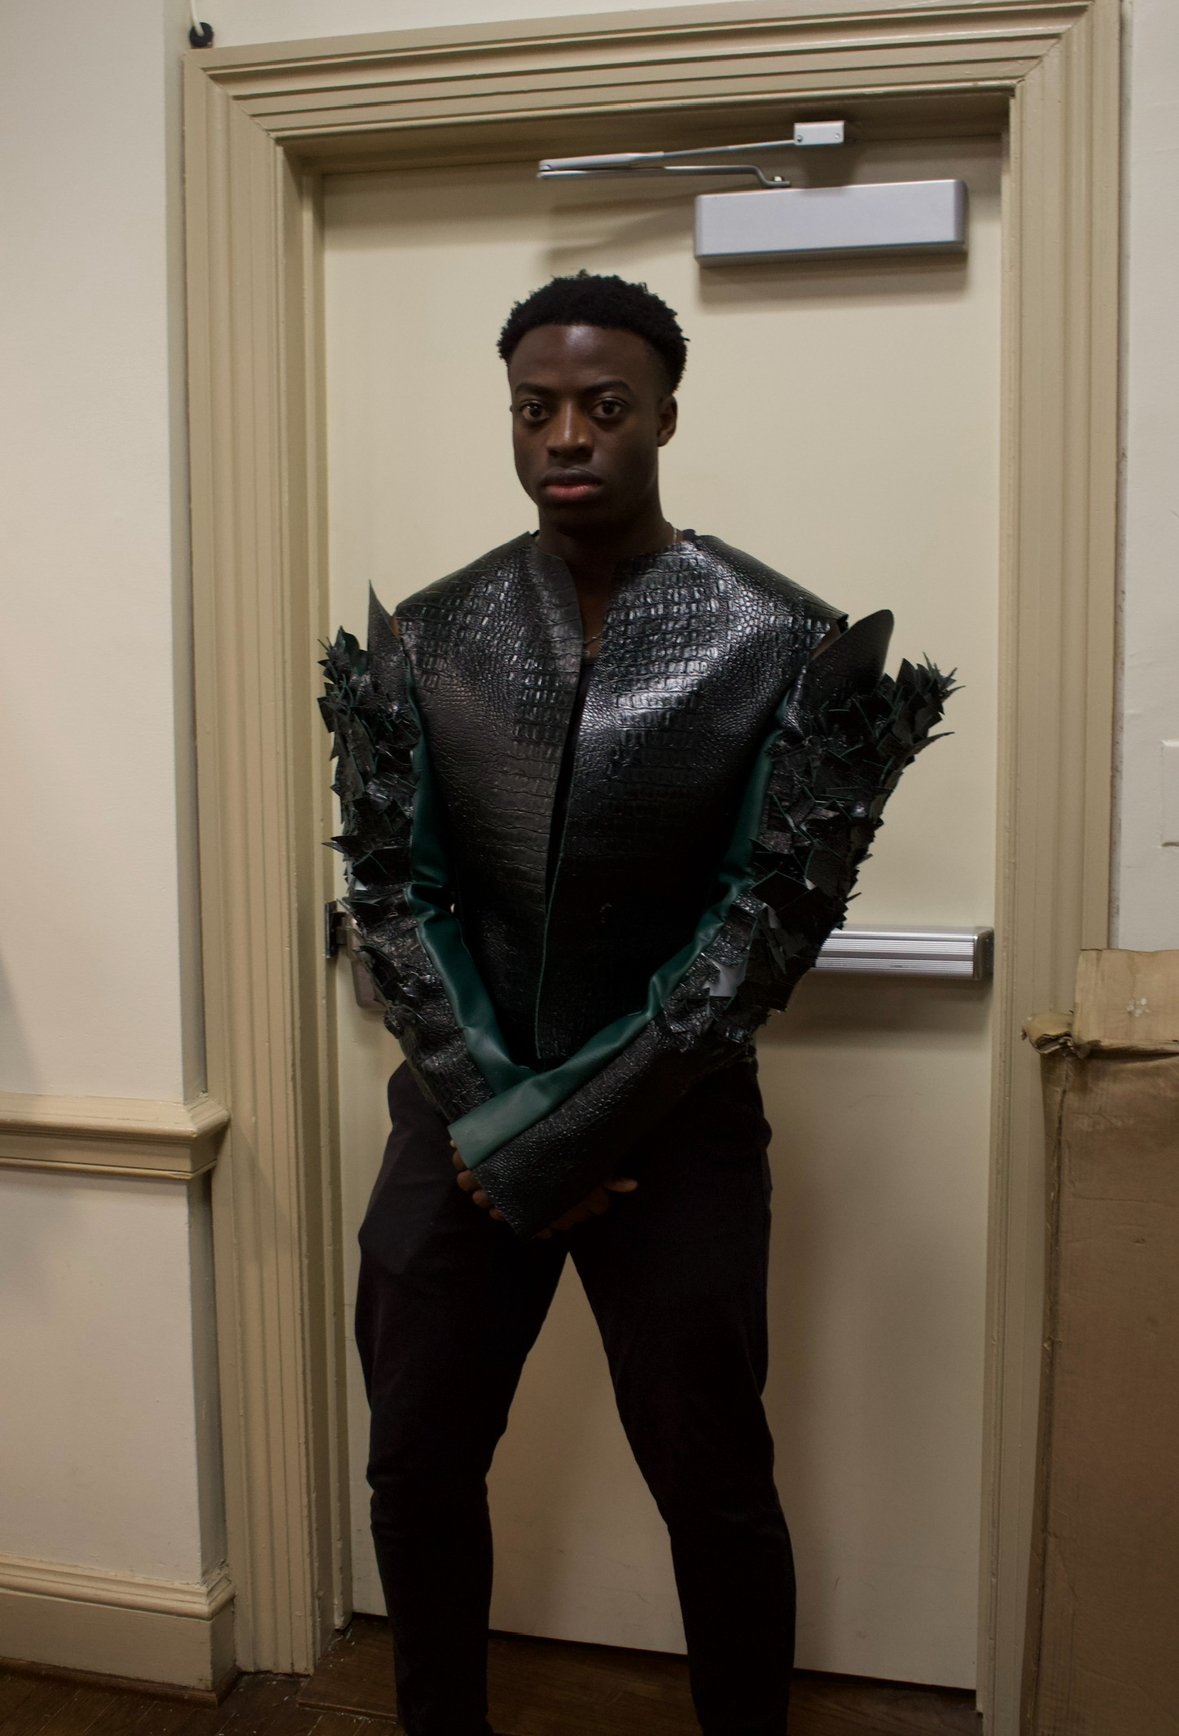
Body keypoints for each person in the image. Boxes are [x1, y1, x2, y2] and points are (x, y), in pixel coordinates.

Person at [320, 273, 951, 1736]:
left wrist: (576, 1129)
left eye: (603, 407)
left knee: (714, 1482)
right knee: (415, 1463)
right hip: (457, 1122)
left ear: (665, 415)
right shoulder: (432, 633)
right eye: (534, 408)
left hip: (676, 1131)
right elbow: (394, 890)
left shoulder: (779, 638)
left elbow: (763, 920)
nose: (566, 436)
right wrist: (498, 1117)